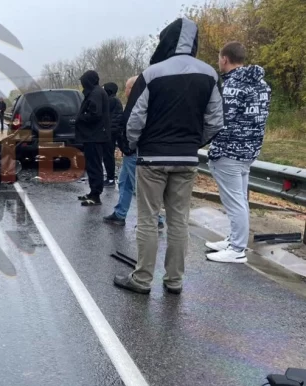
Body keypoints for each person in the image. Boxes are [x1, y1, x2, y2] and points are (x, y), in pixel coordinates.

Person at [114, 17, 224, 295]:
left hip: (152, 158)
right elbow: (215, 120)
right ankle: (174, 281)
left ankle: (142, 279)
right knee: (178, 220)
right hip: (186, 159)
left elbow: (134, 119)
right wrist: (192, 143)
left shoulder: (152, 74)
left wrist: (133, 145)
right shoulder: (209, 74)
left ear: (166, 41)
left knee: (148, 219)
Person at [205, 42, 271, 264]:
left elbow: (220, 120)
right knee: (240, 199)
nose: (218, 62)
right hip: (248, 150)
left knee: (235, 202)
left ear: (225, 59)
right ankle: (234, 239)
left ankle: (237, 249)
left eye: (219, 58)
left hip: (230, 151)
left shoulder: (232, 86)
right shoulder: (261, 85)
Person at [103, 77, 165, 229]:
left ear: (134, 88)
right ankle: (120, 214)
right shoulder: (134, 104)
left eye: (127, 88)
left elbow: (137, 128)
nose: (125, 91)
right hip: (129, 151)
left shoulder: (143, 104)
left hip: (136, 151)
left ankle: (155, 219)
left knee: (141, 187)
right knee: (124, 183)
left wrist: (129, 145)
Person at [75, 70, 111, 206]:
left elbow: (95, 114)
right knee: (92, 164)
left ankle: (95, 195)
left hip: (94, 135)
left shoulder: (95, 93)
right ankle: (93, 192)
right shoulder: (96, 92)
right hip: (93, 135)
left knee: (94, 165)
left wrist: (80, 118)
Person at [102, 82, 122, 186]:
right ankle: (110, 177)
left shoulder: (111, 100)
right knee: (108, 155)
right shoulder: (115, 100)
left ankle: (110, 178)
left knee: (108, 155)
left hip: (110, 131)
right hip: (113, 131)